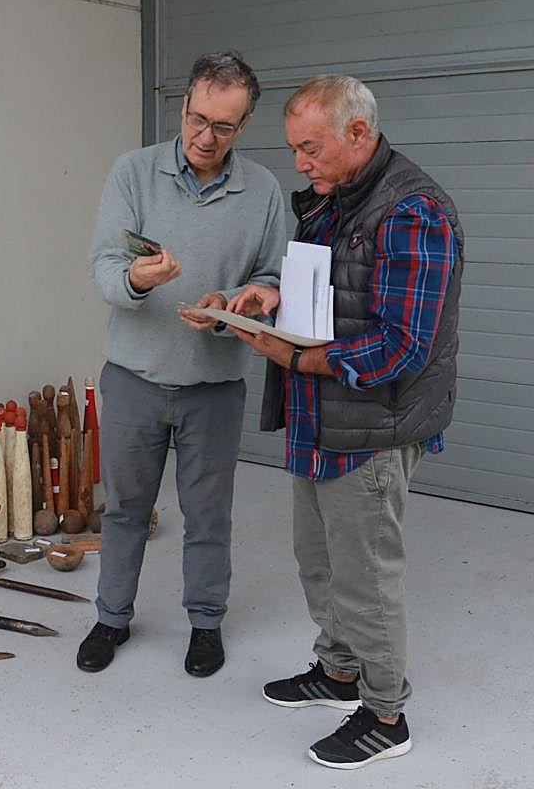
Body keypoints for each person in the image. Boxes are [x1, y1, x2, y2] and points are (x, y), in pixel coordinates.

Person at [228, 74, 462, 769]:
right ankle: (337, 671)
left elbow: (402, 345)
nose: (299, 163)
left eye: (309, 148)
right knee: (318, 560)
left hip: (372, 424)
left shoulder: (414, 213)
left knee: (365, 577)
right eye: (295, 148)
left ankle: (386, 713)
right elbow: (323, 294)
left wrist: (293, 362)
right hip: (320, 417)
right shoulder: (335, 202)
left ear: (358, 134)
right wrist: (266, 298)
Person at [80, 50, 287, 678]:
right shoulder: (133, 173)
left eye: (222, 127)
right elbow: (104, 269)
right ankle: (111, 616)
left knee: (207, 516)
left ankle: (205, 623)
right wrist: (139, 279)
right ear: (183, 105)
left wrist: (237, 301)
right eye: (197, 119)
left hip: (214, 387)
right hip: (135, 380)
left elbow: (272, 277)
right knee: (123, 510)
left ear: (244, 125)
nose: (204, 137)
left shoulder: (265, 192)